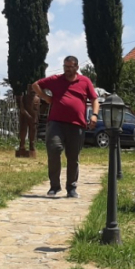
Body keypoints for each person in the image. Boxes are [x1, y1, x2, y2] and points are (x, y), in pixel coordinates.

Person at [32, 56, 99, 198]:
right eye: (65, 66)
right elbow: (35, 85)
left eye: (70, 67)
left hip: (77, 125)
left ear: (76, 67)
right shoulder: (56, 80)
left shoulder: (85, 81)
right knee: (54, 150)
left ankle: (71, 188)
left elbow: (94, 99)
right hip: (56, 123)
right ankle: (54, 186)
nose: (67, 69)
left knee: (73, 157)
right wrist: (45, 97)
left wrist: (94, 115)